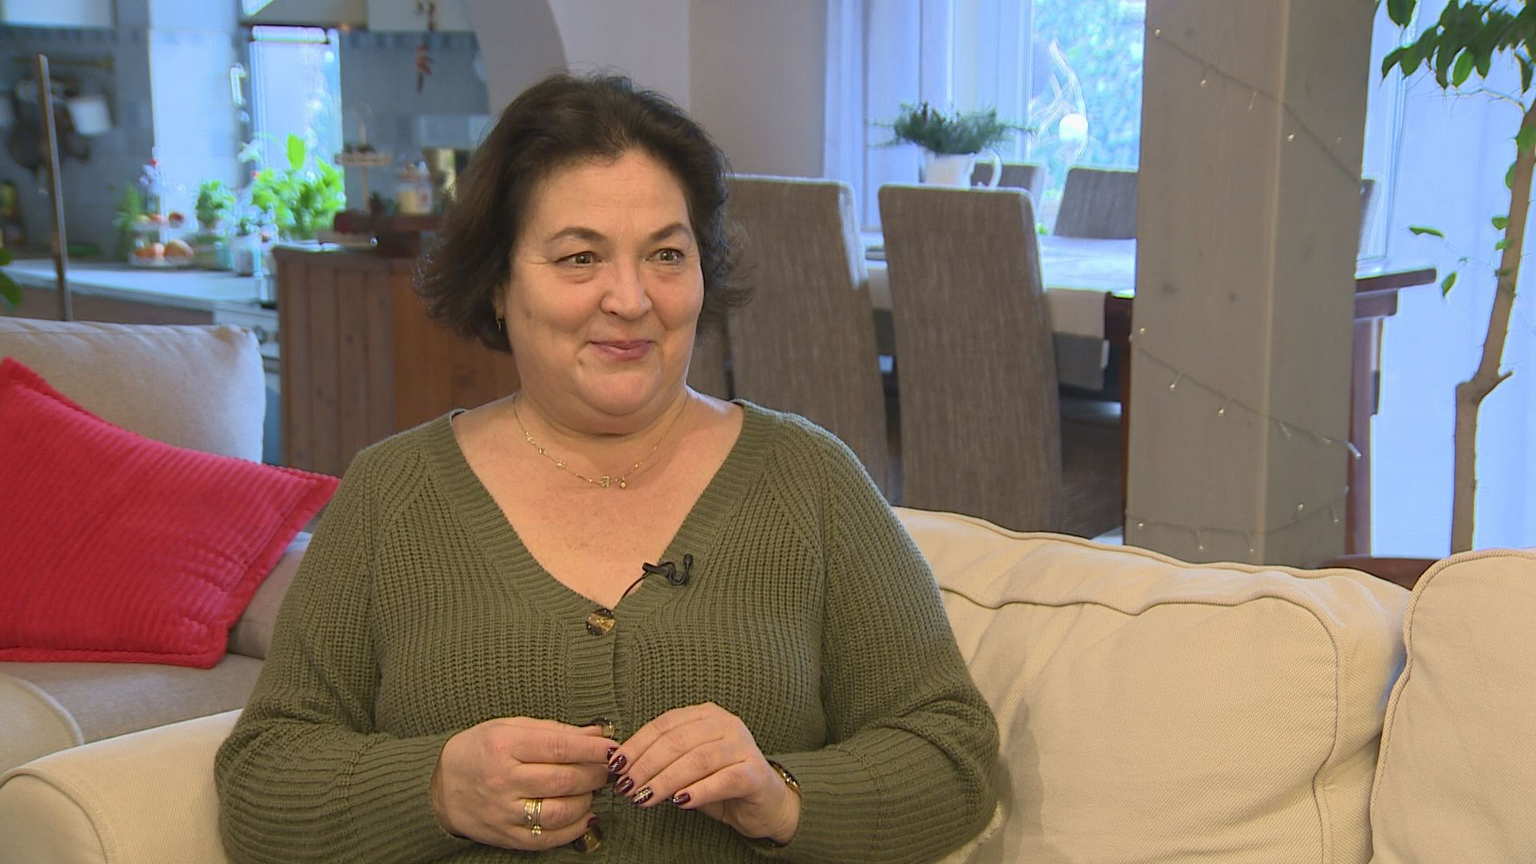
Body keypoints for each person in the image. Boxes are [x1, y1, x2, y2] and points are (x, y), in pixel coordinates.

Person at [215, 73, 998, 863]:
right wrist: (436, 788)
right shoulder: (392, 492)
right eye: (580, 257)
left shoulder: (810, 479)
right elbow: (261, 779)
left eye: (666, 254)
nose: (630, 298)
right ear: (498, 283)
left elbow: (951, 755)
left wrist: (783, 795)